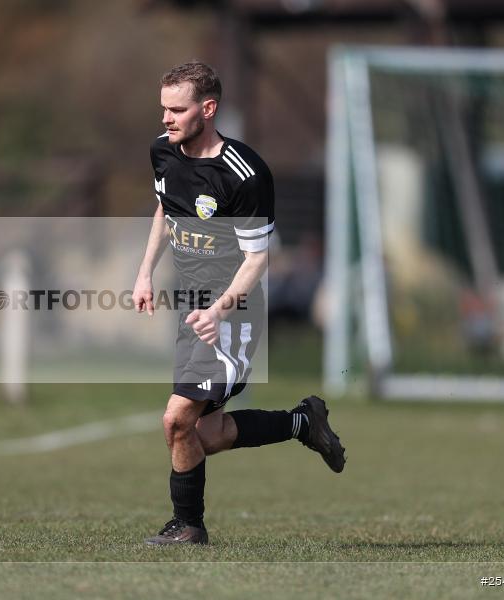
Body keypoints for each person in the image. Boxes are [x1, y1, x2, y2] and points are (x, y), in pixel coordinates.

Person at [132, 62, 345, 546]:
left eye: (177, 109)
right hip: (191, 312)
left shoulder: (244, 174)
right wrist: (144, 271)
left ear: (207, 109)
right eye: (163, 107)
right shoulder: (162, 152)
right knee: (202, 437)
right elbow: (166, 208)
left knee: (176, 420)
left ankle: (188, 526)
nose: (166, 118)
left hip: (232, 315)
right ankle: (302, 422)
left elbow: (257, 258)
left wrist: (219, 310)